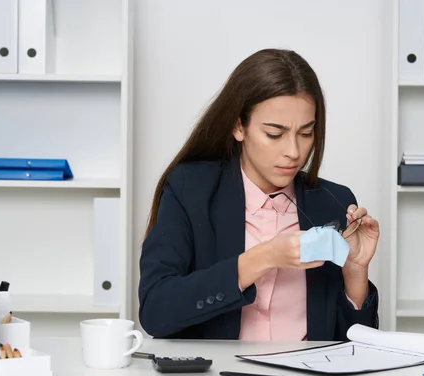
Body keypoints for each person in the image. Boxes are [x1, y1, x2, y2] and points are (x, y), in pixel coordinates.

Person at [138, 48, 380, 342]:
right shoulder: (191, 188)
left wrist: (355, 272)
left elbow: (357, 346)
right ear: (239, 126)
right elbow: (156, 312)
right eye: (275, 134)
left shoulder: (334, 201)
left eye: (306, 133)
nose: (294, 152)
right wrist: (263, 258)